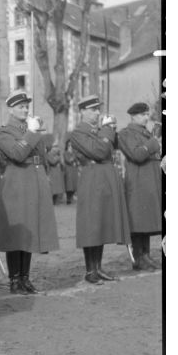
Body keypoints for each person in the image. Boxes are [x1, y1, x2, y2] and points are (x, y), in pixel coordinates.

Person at [0, 90, 59, 294]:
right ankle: (14, 279)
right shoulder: (4, 132)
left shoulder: (32, 129)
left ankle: (25, 277)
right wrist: (32, 132)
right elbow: (18, 154)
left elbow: (42, 156)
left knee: (30, 229)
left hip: (34, 179)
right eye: (20, 106)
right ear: (11, 109)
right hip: (17, 182)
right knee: (16, 233)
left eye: (25, 106)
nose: (24, 109)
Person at [69, 95, 131, 284]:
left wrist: (110, 130)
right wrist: (106, 130)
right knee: (92, 225)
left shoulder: (99, 131)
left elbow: (114, 146)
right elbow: (100, 151)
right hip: (92, 178)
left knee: (101, 223)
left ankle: (98, 267)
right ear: (82, 112)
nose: (97, 113)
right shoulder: (78, 132)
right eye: (92, 110)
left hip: (104, 177)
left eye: (98, 109)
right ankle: (90, 271)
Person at [117, 102, 162, 271]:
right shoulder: (126, 133)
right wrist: (154, 141)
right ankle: (138, 257)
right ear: (133, 116)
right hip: (137, 182)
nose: (146, 117)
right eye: (143, 114)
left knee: (147, 220)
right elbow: (137, 155)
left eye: (146, 114)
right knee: (138, 222)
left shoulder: (145, 133)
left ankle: (146, 255)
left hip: (149, 181)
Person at [46, 140, 65, 205]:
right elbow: (52, 162)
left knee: (57, 189)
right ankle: (51, 202)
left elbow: (62, 165)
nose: (56, 148)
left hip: (57, 173)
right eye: (55, 146)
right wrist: (58, 158)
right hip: (52, 173)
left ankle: (55, 202)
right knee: (52, 189)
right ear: (51, 147)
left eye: (57, 146)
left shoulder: (58, 155)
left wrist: (60, 160)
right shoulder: (48, 154)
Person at [63, 138, 79, 204]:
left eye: (71, 145)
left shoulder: (74, 152)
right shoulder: (65, 153)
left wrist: (76, 162)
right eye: (69, 145)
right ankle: (68, 198)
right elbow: (68, 160)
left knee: (74, 184)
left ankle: (71, 197)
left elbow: (77, 161)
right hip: (68, 170)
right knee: (69, 185)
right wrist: (73, 157)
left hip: (74, 170)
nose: (70, 146)